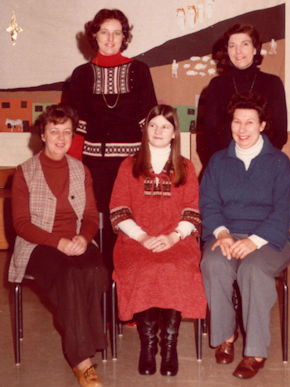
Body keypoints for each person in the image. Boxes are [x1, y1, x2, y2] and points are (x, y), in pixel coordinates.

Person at [8, 104, 109, 387]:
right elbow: (22, 224)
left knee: (93, 269)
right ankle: (83, 362)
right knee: (69, 276)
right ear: (42, 134)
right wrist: (58, 242)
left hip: (76, 240)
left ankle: (84, 343)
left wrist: (83, 238)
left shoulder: (81, 170)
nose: (61, 138)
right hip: (39, 245)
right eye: (55, 131)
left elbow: (90, 216)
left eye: (67, 132)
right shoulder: (24, 172)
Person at [199, 91, 290, 379]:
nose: (241, 129)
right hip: (227, 233)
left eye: (249, 122)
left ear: (263, 125)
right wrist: (223, 233)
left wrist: (253, 241)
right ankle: (226, 337)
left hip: (269, 239)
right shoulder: (218, 161)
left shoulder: (279, 163)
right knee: (213, 263)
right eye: (237, 122)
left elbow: (283, 213)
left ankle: (255, 351)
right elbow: (208, 203)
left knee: (252, 270)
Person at [109, 104, 207, 377]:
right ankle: (148, 346)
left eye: (165, 126)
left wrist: (172, 236)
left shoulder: (185, 167)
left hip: (176, 240)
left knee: (174, 269)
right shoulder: (128, 165)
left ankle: (170, 346)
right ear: (145, 130)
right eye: (153, 125)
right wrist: (143, 237)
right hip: (135, 240)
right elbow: (119, 208)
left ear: (175, 132)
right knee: (144, 269)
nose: (159, 131)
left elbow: (192, 210)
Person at [68, 8, 157, 271]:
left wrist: (150, 166)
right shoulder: (81, 74)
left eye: (117, 33)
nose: (110, 39)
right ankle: (104, 293)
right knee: (101, 229)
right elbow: (76, 128)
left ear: (124, 37)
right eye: (104, 32)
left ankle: (131, 295)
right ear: (94, 35)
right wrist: (75, 172)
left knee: (133, 224)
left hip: (133, 164)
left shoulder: (139, 70)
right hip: (95, 166)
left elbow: (151, 124)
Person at [197, 23, 287, 166]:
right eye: (232, 45)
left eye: (244, 44)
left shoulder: (273, 83)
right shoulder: (216, 85)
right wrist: (223, 166)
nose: (238, 51)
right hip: (226, 164)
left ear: (255, 49)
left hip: (264, 164)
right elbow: (209, 135)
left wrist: (261, 164)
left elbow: (280, 134)